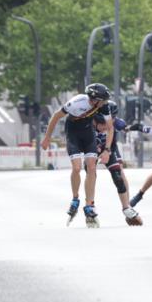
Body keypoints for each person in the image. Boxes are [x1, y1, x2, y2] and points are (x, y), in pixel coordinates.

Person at [40, 82, 110, 227]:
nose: (104, 103)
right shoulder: (76, 102)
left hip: (88, 134)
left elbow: (110, 128)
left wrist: (107, 149)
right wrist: (47, 137)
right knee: (77, 168)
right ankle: (75, 198)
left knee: (91, 167)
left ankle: (89, 204)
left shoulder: (104, 106)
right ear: (93, 99)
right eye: (102, 100)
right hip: (73, 134)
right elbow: (55, 116)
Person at [91, 102, 145, 226]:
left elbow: (126, 128)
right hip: (94, 149)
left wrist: (136, 128)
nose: (110, 121)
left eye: (113, 117)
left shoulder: (115, 121)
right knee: (91, 174)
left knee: (119, 175)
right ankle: (90, 206)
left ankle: (127, 206)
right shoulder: (91, 122)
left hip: (110, 149)